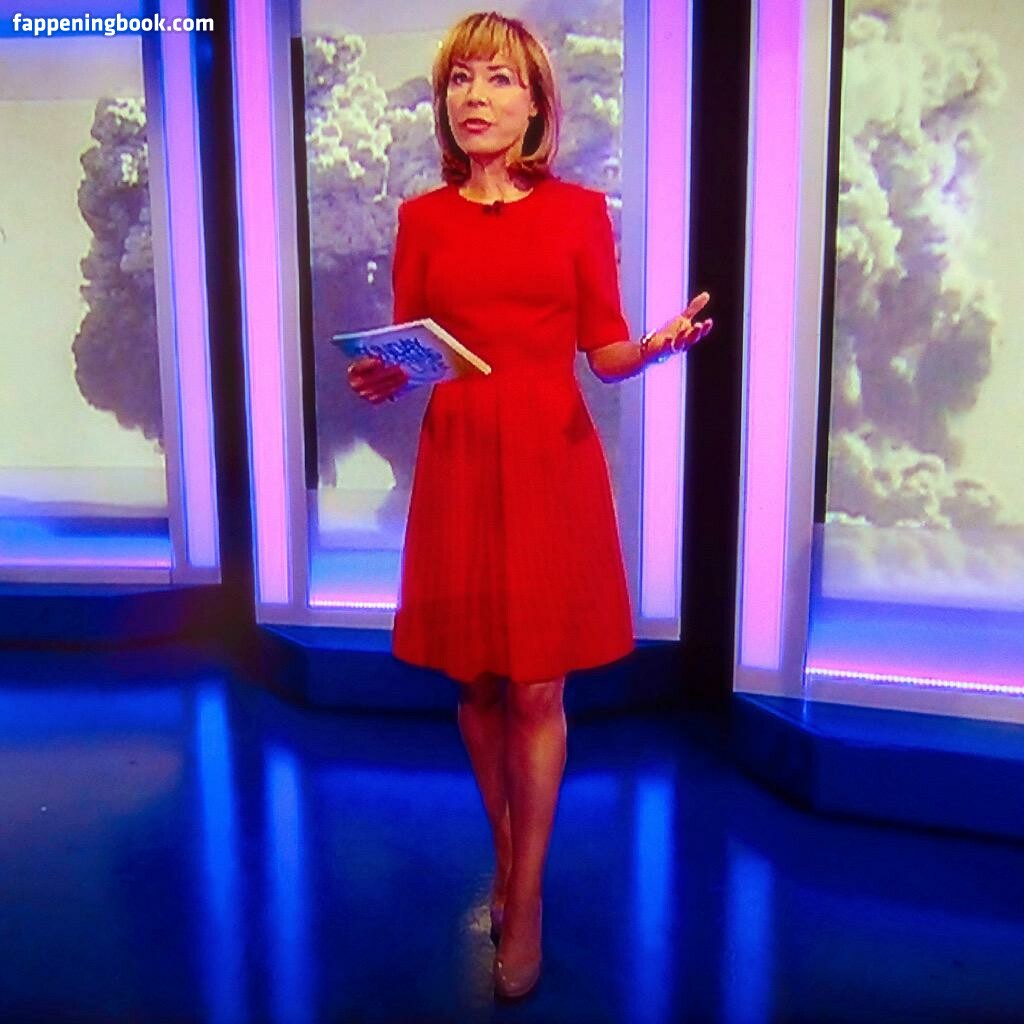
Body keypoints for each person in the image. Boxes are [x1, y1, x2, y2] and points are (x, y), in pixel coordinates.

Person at [347, 11, 712, 1001]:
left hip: (550, 460)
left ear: (537, 104)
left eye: (499, 79)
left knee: (539, 690)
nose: (476, 97)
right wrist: (384, 374)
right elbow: (416, 348)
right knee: (475, 684)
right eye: (461, 79)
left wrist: (658, 345)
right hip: (461, 460)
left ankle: (528, 890)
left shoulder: (581, 213)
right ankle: (505, 853)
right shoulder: (422, 219)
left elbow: (605, 350)